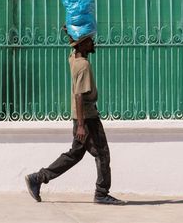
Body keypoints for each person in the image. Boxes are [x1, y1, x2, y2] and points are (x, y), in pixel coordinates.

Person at [24, 30, 124, 205]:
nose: (93, 43)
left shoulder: (73, 58)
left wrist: (69, 32)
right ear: (82, 44)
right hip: (87, 118)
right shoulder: (83, 65)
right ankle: (101, 193)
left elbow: (74, 46)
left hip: (81, 117)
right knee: (102, 154)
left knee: (74, 154)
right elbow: (79, 95)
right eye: (90, 40)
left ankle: (38, 178)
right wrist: (81, 125)